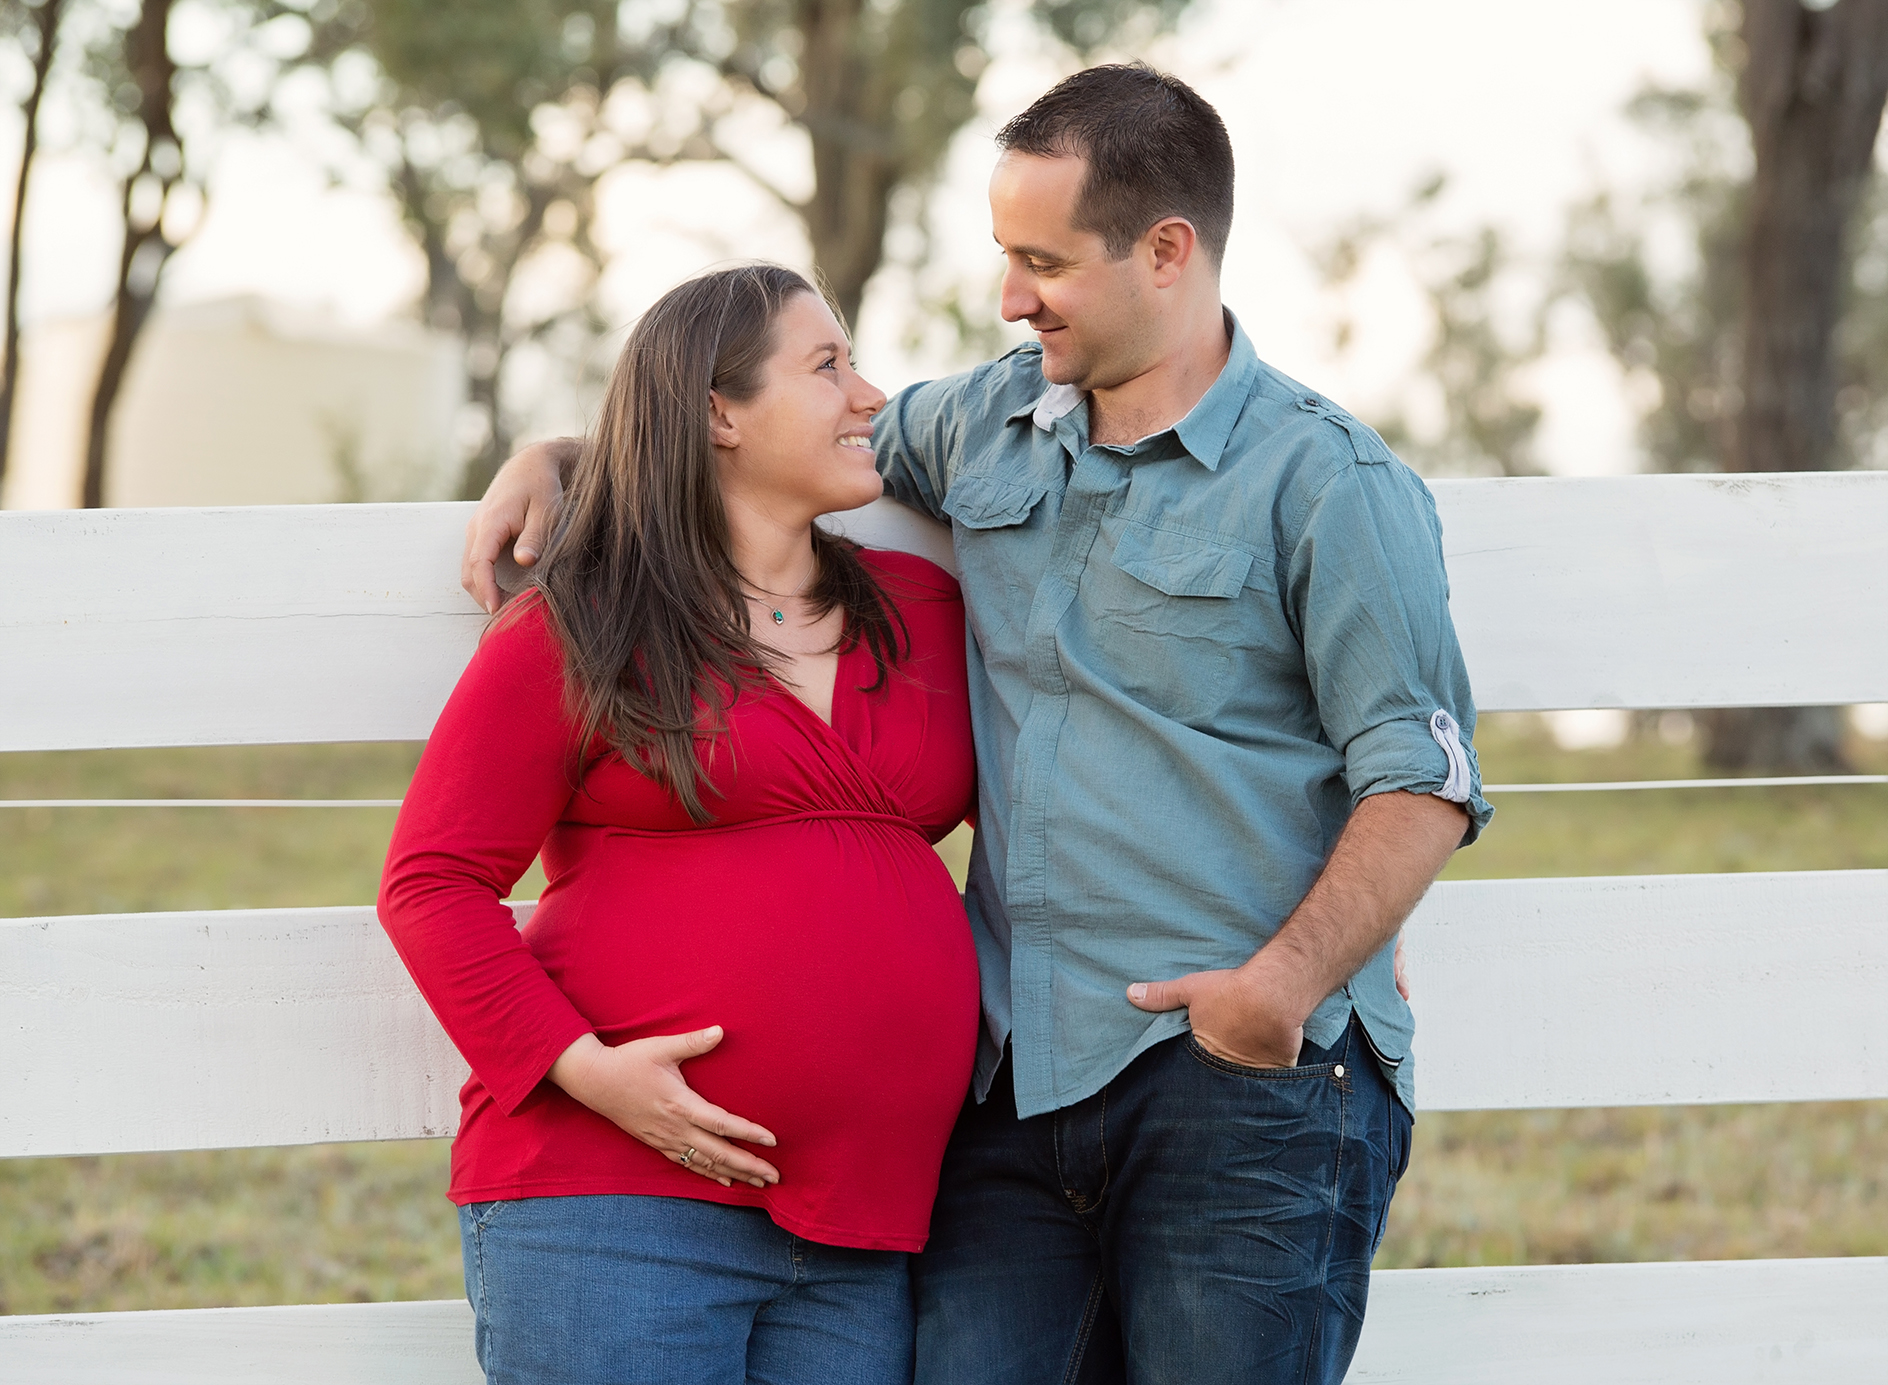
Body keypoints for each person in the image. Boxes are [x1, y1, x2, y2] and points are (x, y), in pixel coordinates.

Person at [465, 65, 1493, 1385]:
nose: (1010, 296)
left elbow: (1425, 781)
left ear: (1168, 252)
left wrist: (1277, 990)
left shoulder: (1329, 483)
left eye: (1042, 260)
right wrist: (566, 456)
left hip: (1235, 1081)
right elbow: (774, 439)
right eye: (1005, 255)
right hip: (1010, 1092)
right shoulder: (988, 426)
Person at [382, 263, 980, 1385]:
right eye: (828, 365)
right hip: (614, 1202)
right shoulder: (584, 622)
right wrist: (588, 1071)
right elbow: (432, 882)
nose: (869, 395)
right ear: (718, 411)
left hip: (863, 1221)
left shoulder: (923, 607)